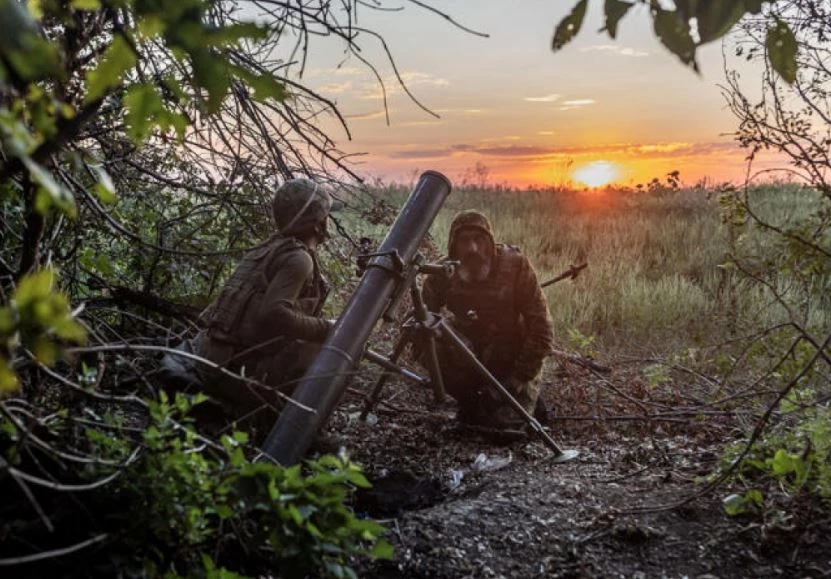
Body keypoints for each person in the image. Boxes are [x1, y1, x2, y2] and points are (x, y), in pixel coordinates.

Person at [162, 178, 341, 440]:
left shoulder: (269, 248)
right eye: (325, 216)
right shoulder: (298, 259)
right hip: (235, 370)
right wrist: (328, 329)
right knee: (335, 348)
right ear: (317, 221)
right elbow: (273, 315)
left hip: (213, 356)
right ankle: (301, 433)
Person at [422, 210, 553, 433]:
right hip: (471, 356)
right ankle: (471, 398)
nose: (472, 249)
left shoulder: (516, 266)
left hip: (512, 358)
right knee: (429, 339)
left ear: (490, 242)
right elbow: (420, 320)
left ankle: (521, 397)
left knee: (506, 431)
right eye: (464, 241)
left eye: (479, 240)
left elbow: (542, 328)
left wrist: (520, 377)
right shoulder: (442, 273)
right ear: (454, 245)